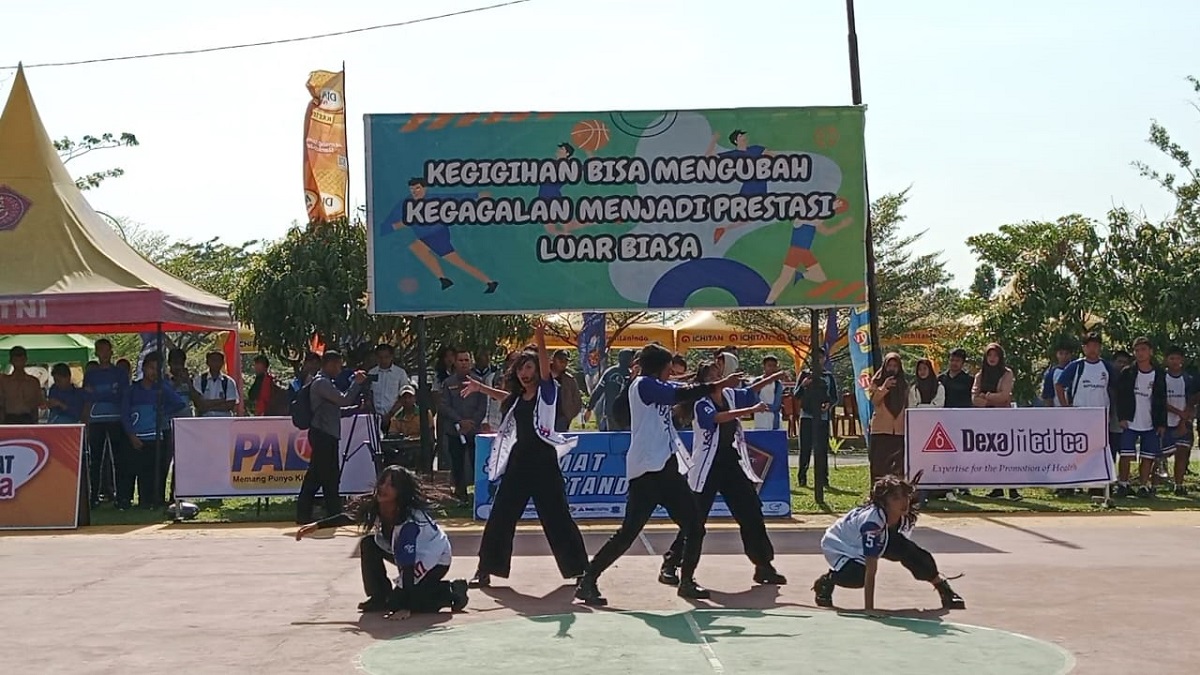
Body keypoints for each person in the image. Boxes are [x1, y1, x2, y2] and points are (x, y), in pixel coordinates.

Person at [574, 345, 744, 606]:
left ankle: (686, 581)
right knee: (628, 533)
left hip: (665, 467)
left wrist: (700, 382)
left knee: (695, 526)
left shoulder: (652, 382)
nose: (670, 373)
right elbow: (677, 393)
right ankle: (588, 580)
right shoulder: (643, 384)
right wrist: (717, 384)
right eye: (668, 369)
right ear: (660, 368)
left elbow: (677, 386)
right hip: (645, 472)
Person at [460, 324, 589, 588]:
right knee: (500, 516)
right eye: (520, 368)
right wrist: (480, 388)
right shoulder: (518, 400)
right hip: (519, 464)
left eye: (529, 367)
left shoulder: (548, 393)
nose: (524, 372)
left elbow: (544, 370)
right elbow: (504, 397)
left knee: (558, 518)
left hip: (544, 464)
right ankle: (485, 570)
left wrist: (540, 339)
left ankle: (580, 571)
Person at [660, 362, 788, 587]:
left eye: (720, 373)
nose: (720, 377)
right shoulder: (702, 402)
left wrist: (773, 377)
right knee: (695, 519)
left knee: (751, 511)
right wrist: (750, 411)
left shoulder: (728, 394)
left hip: (729, 462)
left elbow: (750, 391)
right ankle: (671, 563)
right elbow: (717, 419)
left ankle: (763, 565)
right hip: (707, 467)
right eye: (714, 375)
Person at [296, 466, 468, 619]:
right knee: (369, 543)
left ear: (401, 492)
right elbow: (351, 516)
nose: (383, 488)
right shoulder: (379, 505)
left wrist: (405, 607)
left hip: (434, 560)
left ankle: (451, 591)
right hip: (405, 554)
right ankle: (378, 596)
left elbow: (408, 565)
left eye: (391, 485)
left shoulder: (409, 523)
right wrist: (317, 525)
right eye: (382, 482)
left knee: (405, 602)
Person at [813, 475, 965, 614]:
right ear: (883, 502)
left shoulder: (903, 517)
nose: (903, 501)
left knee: (914, 554)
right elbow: (871, 568)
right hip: (840, 544)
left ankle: (943, 588)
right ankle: (827, 581)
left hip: (877, 535)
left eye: (905, 496)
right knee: (857, 576)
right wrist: (869, 609)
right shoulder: (872, 524)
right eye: (896, 498)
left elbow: (904, 549)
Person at [296, 351, 366, 524]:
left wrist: (355, 409)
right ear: (329, 364)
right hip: (323, 433)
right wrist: (356, 384)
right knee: (321, 475)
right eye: (338, 365)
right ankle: (311, 514)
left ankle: (330, 514)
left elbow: (336, 409)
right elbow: (343, 400)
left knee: (325, 476)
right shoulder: (322, 383)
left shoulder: (326, 382)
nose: (339, 369)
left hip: (327, 433)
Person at [122, 352, 187, 508]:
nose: (153, 372)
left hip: (157, 436)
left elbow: (179, 403)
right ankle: (140, 500)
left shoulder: (161, 389)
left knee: (158, 469)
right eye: (151, 368)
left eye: (157, 369)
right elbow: (125, 414)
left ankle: (156, 499)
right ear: (144, 368)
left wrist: (162, 411)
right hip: (137, 437)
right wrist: (131, 435)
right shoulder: (133, 390)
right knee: (138, 469)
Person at [1114, 337, 1168, 498]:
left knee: (1148, 456)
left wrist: (1161, 423)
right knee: (1126, 454)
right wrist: (1122, 417)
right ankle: (1123, 483)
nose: (1140, 353)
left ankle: (1143, 486)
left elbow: (1161, 398)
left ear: (1150, 352)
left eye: (1143, 350)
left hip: (1150, 421)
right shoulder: (1128, 372)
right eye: (1137, 350)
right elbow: (1120, 397)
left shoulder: (1158, 373)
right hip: (1130, 420)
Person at [83, 339, 129, 505]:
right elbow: (88, 396)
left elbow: (121, 395)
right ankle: (93, 496)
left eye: (106, 350)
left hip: (116, 419)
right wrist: (108, 392)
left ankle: (121, 496)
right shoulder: (91, 374)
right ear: (96, 352)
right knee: (95, 460)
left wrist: (98, 393)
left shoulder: (119, 373)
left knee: (119, 459)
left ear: (111, 352)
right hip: (96, 420)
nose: (103, 353)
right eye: (100, 350)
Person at [438, 349, 488, 502]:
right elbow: (444, 406)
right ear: (455, 362)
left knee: (476, 462)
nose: (464, 363)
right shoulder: (448, 383)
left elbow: (482, 406)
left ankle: (479, 494)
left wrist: (472, 423)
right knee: (457, 462)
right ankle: (461, 494)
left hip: (474, 430)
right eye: (460, 360)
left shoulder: (479, 381)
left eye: (466, 360)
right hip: (455, 430)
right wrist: (460, 421)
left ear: (471, 362)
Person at [972, 343, 1020, 500]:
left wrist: (987, 396)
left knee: (1008, 452)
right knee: (992, 453)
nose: (992, 359)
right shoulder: (980, 375)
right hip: (986, 418)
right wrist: (989, 400)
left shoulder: (1007, 373)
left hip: (1003, 418)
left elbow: (1005, 395)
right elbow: (974, 398)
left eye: (995, 356)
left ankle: (1013, 490)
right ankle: (997, 488)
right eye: (989, 355)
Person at [794, 348, 836, 487]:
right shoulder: (804, 374)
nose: (818, 360)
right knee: (805, 449)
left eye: (820, 357)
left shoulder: (828, 376)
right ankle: (802, 478)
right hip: (806, 417)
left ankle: (823, 479)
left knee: (822, 450)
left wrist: (828, 405)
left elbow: (834, 397)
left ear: (824, 359)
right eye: (815, 357)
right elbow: (796, 394)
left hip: (822, 418)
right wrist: (803, 385)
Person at [867, 353, 907, 481]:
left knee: (896, 468)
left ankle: (893, 495)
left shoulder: (904, 384)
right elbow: (874, 401)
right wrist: (884, 387)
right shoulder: (876, 382)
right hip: (880, 430)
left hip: (899, 431)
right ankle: (876, 493)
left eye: (895, 366)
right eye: (889, 365)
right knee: (879, 466)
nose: (892, 368)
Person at [1161, 346, 1195, 495]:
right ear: (1166, 360)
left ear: (1182, 360)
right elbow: (1159, 401)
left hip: (1183, 422)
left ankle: (1178, 484)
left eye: (1178, 358)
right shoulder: (1161, 378)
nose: (1175, 361)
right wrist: (1177, 412)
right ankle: (1154, 486)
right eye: (1171, 358)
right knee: (1160, 456)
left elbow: (1191, 401)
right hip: (1165, 422)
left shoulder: (1188, 379)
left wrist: (1183, 419)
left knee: (1181, 454)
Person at [585, 348, 635, 431]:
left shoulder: (610, 372)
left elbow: (598, 391)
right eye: (632, 358)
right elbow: (598, 391)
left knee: (613, 439)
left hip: (612, 412)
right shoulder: (630, 374)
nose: (633, 361)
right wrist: (589, 408)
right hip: (624, 414)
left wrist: (589, 408)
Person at [369, 344, 412, 434]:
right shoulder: (372, 373)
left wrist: (390, 414)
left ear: (391, 357)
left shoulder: (400, 373)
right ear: (376, 357)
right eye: (380, 357)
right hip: (375, 417)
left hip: (395, 417)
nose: (383, 360)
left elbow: (404, 396)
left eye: (386, 357)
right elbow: (370, 395)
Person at [0, 346, 45, 424]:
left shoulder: (33, 382)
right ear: (11, 360)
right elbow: (1, 405)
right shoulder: (3, 381)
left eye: (21, 358)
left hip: (27, 419)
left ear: (25, 360)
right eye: (16, 359)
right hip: (9, 419)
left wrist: (35, 425)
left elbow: (36, 405)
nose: (19, 361)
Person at [193, 352, 239, 417]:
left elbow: (230, 405)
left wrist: (208, 407)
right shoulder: (199, 380)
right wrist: (221, 401)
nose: (216, 363)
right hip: (204, 419)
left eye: (218, 360)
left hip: (223, 420)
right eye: (213, 360)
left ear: (223, 363)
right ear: (207, 362)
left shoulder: (229, 381)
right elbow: (199, 403)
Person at [550, 349, 583, 433]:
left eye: (565, 361)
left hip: (561, 417)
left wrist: (568, 415)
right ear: (553, 359)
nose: (563, 363)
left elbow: (577, 400)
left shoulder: (569, 380)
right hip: (544, 416)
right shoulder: (543, 375)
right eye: (560, 360)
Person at [752, 355, 786, 431]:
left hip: (774, 416)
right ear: (764, 367)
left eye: (774, 366)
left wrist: (769, 407)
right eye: (769, 366)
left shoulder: (778, 384)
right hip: (760, 415)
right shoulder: (757, 381)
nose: (772, 368)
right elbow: (754, 398)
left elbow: (777, 403)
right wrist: (760, 406)